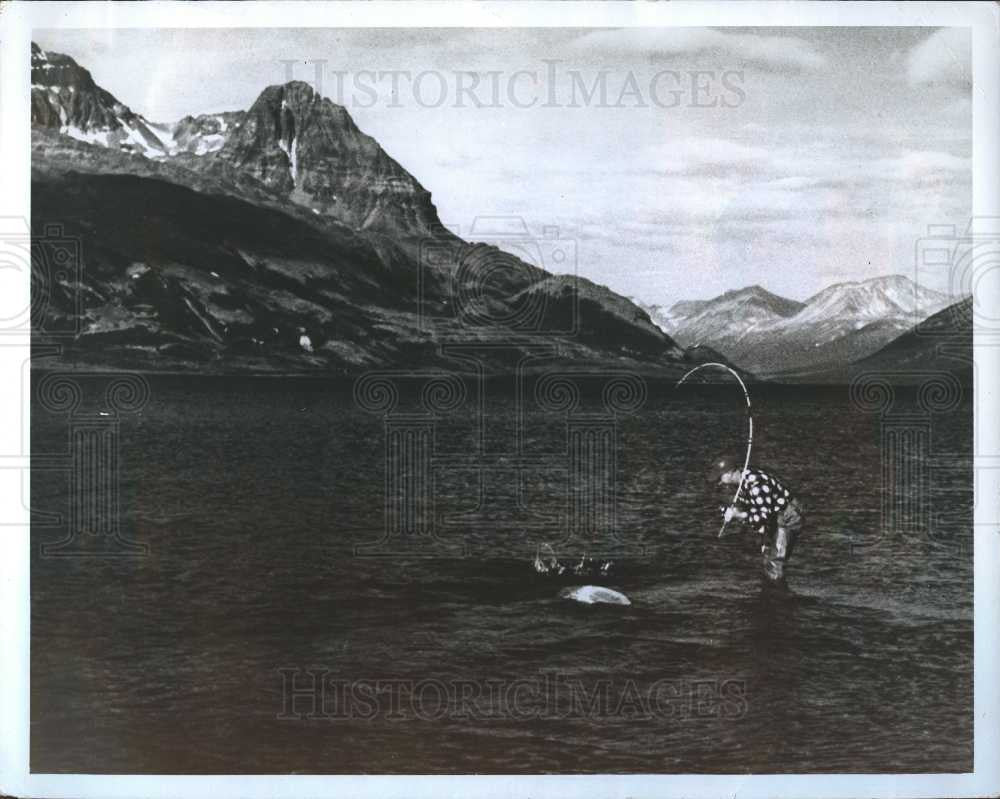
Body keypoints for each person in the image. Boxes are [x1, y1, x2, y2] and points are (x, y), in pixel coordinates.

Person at [711, 455, 804, 581]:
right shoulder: (739, 484)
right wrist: (729, 512)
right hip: (772, 516)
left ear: (730, 473)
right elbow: (750, 508)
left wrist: (738, 515)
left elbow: (761, 517)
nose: (719, 482)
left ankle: (777, 595)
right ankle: (770, 592)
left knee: (775, 562)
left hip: (787, 517)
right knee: (767, 557)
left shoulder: (756, 484)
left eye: (720, 478)